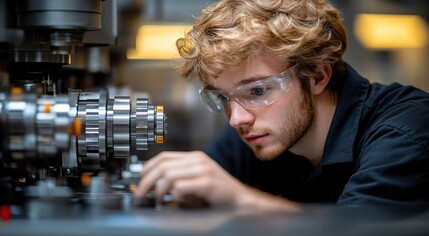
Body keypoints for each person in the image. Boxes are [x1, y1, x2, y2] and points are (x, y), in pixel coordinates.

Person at [135, 0, 429, 210]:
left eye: (258, 90)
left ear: (316, 76)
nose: (237, 118)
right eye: (223, 97)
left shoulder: (405, 132)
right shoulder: (258, 131)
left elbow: (356, 234)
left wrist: (241, 199)